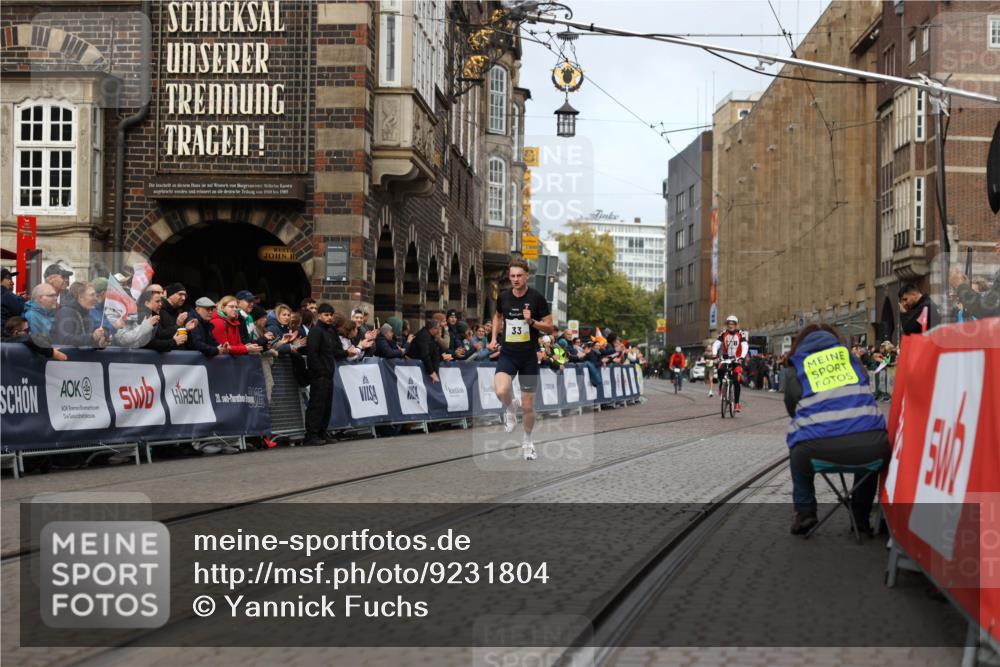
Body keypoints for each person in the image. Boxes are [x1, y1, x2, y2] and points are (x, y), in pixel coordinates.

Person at [783, 324, 889, 535]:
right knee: (868, 457)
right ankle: (860, 517)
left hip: (817, 449)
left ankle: (805, 512)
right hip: (873, 448)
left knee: (797, 449)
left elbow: (792, 408)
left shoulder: (795, 366)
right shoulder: (853, 360)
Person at [488, 258, 555, 461]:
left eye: (519, 276)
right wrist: (493, 338)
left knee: (528, 407)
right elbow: (498, 316)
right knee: (501, 390)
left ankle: (528, 441)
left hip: (528, 357)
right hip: (508, 353)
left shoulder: (537, 298)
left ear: (527, 276)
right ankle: (510, 407)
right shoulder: (504, 297)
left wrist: (532, 321)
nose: (515, 279)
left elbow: (550, 327)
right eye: (512, 276)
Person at [304, 303, 347, 446]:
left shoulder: (330, 331)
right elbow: (312, 353)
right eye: (326, 315)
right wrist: (319, 371)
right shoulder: (316, 331)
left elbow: (335, 351)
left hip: (328, 373)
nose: (329, 318)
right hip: (320, 374)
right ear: (319, 315)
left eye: (331, 315)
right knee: (317, 404)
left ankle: (322, 432)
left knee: (326, 405)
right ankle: (311, 435)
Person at [51, 282, 109, 347]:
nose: (96, 299)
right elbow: (65, 340)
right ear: (80, 297)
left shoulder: (85, 313)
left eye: (96, 295)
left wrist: (99, 343)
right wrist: (92, 337)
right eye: (92, 295)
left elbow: (85, 341)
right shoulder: (67, 312)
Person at [712, 315, 749, 412]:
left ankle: (736, 404)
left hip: (737, 360)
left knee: (736, 381)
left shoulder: (741, 333)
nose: (731, 326)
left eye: (733, 324)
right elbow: (716, 344)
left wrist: (742, 357)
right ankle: (721, 386)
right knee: (720, 369)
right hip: (726, 358)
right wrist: (714, 355)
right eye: (729, 324)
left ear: (736, 325)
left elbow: (745, 345)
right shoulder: (723, 333)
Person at [2, 316, 68, 360]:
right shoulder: (4, 342)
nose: (29, 333)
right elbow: (28, 339)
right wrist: (52, 353)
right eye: (27, 330)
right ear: (16, 333)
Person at [408, 318, 445, 382]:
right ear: (433, 329)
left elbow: (435, 354)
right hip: (412, 365)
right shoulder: (423, 336)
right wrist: (431, 372)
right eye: (438, 329)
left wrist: (435, 371)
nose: (439, 331)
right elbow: (425, 355)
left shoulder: (432, 337)